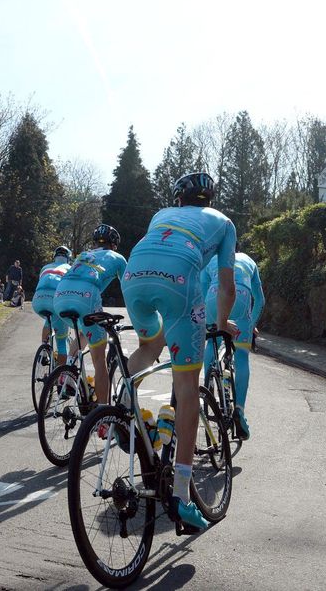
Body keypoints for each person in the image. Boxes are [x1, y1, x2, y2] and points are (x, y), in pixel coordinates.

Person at [121, 172, 239, 532]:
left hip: (134, 274)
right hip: (180, 278)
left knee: (149, 346)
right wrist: (222, 322)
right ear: (210, 199)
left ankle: (123, 412)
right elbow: (226, 285)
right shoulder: (224, 222)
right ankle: (183, 497)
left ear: (178, 200)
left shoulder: (161, 215)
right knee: (188, 388)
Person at [53, 225, 127, 408]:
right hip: (86, 297)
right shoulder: (117, 257)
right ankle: (102, 413)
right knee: (99, 360)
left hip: (60, 296)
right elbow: (128, 288)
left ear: (94, 243)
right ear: (114, 245)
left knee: (82, 332)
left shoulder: (83, 255)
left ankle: (68, 371)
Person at [201, 248, 264, 440]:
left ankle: (208, 388)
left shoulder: (211, 260)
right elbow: (260, 300)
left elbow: (202, 295)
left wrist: (208, 322)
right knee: (242, 356)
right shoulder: (249, 260)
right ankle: (239, 411)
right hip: (241, 298)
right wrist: (250, 325)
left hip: (214, 296)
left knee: (212, 341)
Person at [31, 246, 74, 366]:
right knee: (61, 343)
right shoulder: (70, 268)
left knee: (49, 318)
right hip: (55, 302)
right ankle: (61, 376)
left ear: (54, 257)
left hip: (38, 301)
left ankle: (44, 351)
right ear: (68, 258)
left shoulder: (45, 267)